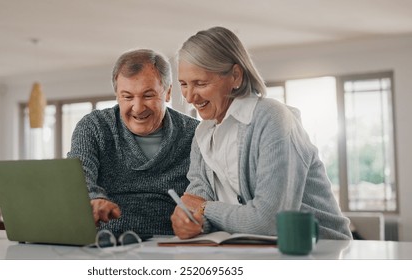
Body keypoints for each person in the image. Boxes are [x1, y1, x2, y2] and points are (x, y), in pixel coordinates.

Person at [171, 26, 352, 240]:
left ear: (235, 76)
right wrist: (190, 221)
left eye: (200, 83)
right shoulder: (202, 134)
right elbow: (195, 203)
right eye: (183, 84)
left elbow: (270, 222)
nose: (190, 97)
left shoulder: (272, 118)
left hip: (318, 250)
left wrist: (204, 209)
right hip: (253, 250)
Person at [67, 49, 199, 236]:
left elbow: (206, 197)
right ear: (117, 95)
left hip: (169, 243)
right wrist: (92, 199)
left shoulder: (195, 134)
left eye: (148, 95)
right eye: (127, 97)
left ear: (168, 93)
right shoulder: (94, 126)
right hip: (105, 242)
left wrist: (197, 219)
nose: (137, 108)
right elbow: (78, 173)